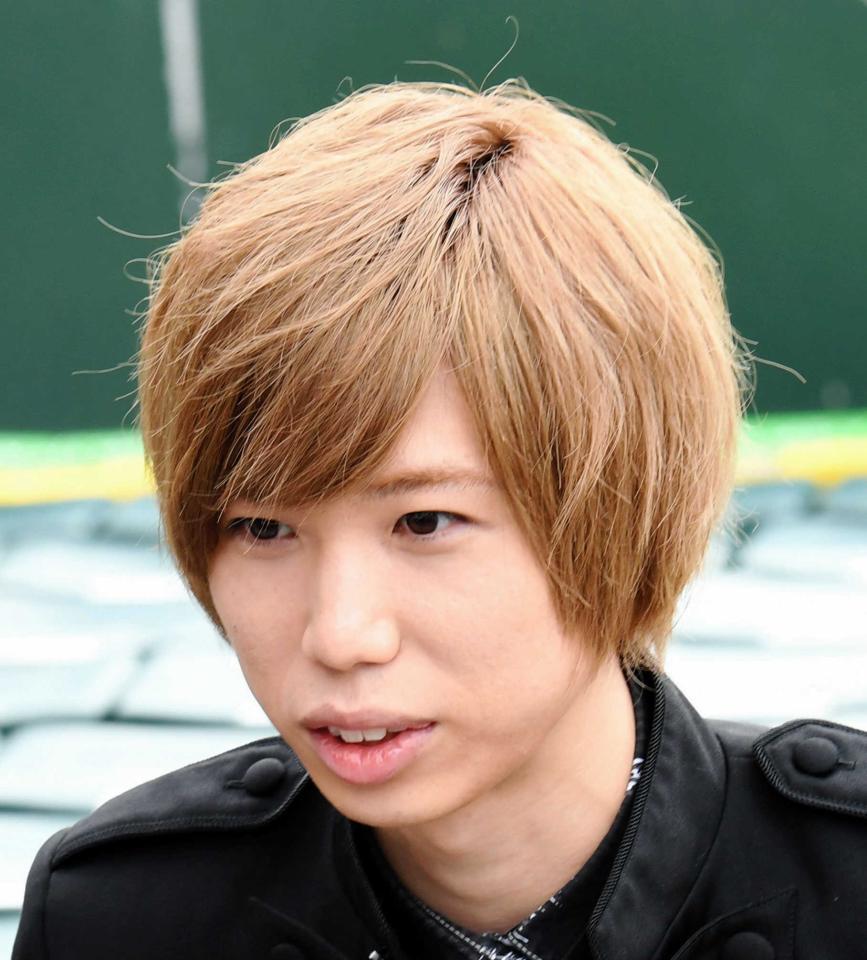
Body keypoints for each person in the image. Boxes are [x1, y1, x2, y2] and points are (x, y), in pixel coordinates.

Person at [13, 78, 867, 960]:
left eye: (424, 522)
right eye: (262, 528)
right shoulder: (118, 923)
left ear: (620, 509)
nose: (340, 635)